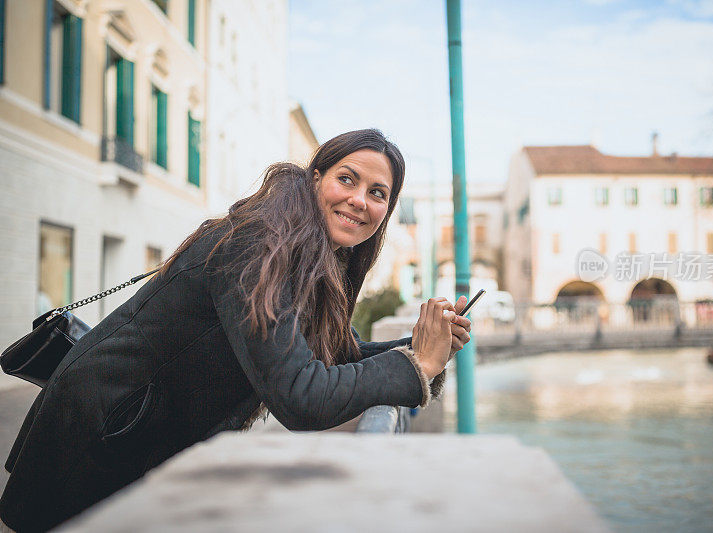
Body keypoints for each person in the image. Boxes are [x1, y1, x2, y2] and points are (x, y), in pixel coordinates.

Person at [0, 129, 472, 532]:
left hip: (139, 437)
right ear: (315, 180)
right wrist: (417, 367)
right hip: (102, 439)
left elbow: (335, 359)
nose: (359, 200)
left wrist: (422, 348)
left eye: (377, 193)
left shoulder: (305, 251)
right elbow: (301, 397)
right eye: (347, 179)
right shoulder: (260, 244)